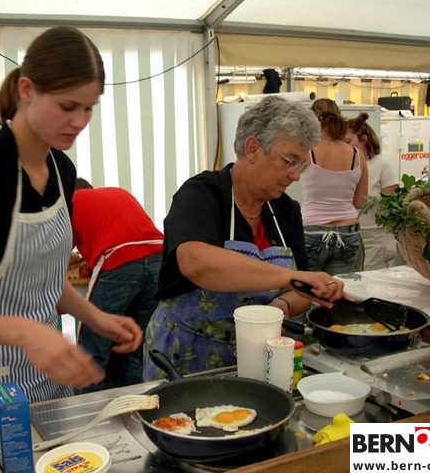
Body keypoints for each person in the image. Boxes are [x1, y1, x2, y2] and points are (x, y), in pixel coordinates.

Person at [0, 27, 143, 473]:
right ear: (26, 90)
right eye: (67, 106)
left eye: (89, 108)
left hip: (45, 385)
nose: (79, 121)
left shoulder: (62, 170)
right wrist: (28, 333)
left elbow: (43, 280)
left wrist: (97, 318)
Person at [142, 96, 351, 381]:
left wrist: (282, 306)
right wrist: (290, 278)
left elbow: (299, 290)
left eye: (302, 166)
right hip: (183, 356)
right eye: (290, 161)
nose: (296, 176)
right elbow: (196, 262)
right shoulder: (202, 194)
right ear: (253, 148)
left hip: (254, 356)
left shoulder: (286, 211)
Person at [71, 179, 164, 393]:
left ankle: (88, 407)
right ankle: (131, 404)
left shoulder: (70, 201)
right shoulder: (118, 193)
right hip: (160, 257)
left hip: (119, 259)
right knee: (138, 344)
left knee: (93, 345)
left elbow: (59, 253)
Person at [301, 98, 368, 275]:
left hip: (312, 231)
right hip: (348, 233)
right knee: (340, 289)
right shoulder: (357, 155)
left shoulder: (307, 151)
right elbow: (360, 201)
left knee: (308, 288)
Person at [345, 113, 399, 270]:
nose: (344, 146)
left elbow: (392, 206)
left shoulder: (382, 165)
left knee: (369, 279)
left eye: (348, 141)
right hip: (350, 235)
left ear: (364, 139)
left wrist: (390, 237)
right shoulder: (347, 164)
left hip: (374, 238)